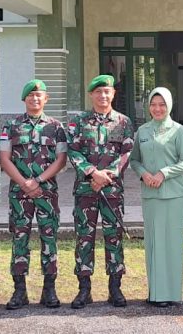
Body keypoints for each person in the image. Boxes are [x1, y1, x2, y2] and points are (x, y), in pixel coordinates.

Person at [0, 79, 67, 310]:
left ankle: (49, 289)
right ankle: (19, 291)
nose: (35, 99)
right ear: (24, 99)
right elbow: (4, 159)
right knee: (20, 239)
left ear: (46, 99)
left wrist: (37, 181)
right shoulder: (11, 126)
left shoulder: (56, 127)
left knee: (49, 239)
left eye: (39, 95)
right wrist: (25, 183)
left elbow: (61, 160)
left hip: (47, 192)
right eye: (31, 95)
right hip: (19, 194)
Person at [68, 74, 134, 309]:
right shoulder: (79, 121)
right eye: (98, 92)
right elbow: (73, 151)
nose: (103, 95)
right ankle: (84, 289)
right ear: (91, 95)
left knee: (113, 237)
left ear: (113, 94)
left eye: (107, 91)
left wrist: (107, 176)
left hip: (112, 191)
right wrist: (92, 173)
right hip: (85, 190)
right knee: (84, 238)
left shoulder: (124, 122)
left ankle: (115, 288)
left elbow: (126, 152)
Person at [129, 87, 183, 307]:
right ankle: (155, 293)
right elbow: (134, 160)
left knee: (172, 244)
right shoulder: (142, 131)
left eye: (162, 105)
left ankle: (172, 293)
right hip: (151, 195)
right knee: (154, 243)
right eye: (153, 104)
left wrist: (163, 173)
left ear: (169, 106)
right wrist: (144, 173)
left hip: (173, 194)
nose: (157, 109)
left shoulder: (178, 131)